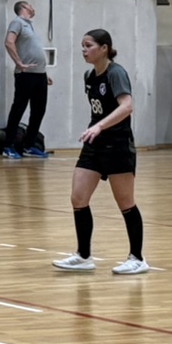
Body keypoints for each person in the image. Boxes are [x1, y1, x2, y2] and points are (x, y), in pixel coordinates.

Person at [52, 29, 147, 276]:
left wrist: (100, 126)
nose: (84, 50)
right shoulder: (89, 75)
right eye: (82, 46)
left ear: (104, 48)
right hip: (94, 144)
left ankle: (137, 258)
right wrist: (95, 129)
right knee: (78, 197)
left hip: (117, 145)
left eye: (88, 45)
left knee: (125, 202)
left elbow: (127, 106)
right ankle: (83, 256)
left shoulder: (116, 73)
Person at [3, 0, 51, 159]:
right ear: (24, 7)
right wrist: (19, 63)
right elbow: (9, 42)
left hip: (40, 75)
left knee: (39, 110)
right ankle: (8, 146)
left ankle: (29, 146)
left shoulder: (29, 25)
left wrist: (44, 73)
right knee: (18, 109)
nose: (33, 7)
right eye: (30, 5)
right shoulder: (17, 22)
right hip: (26, 75)